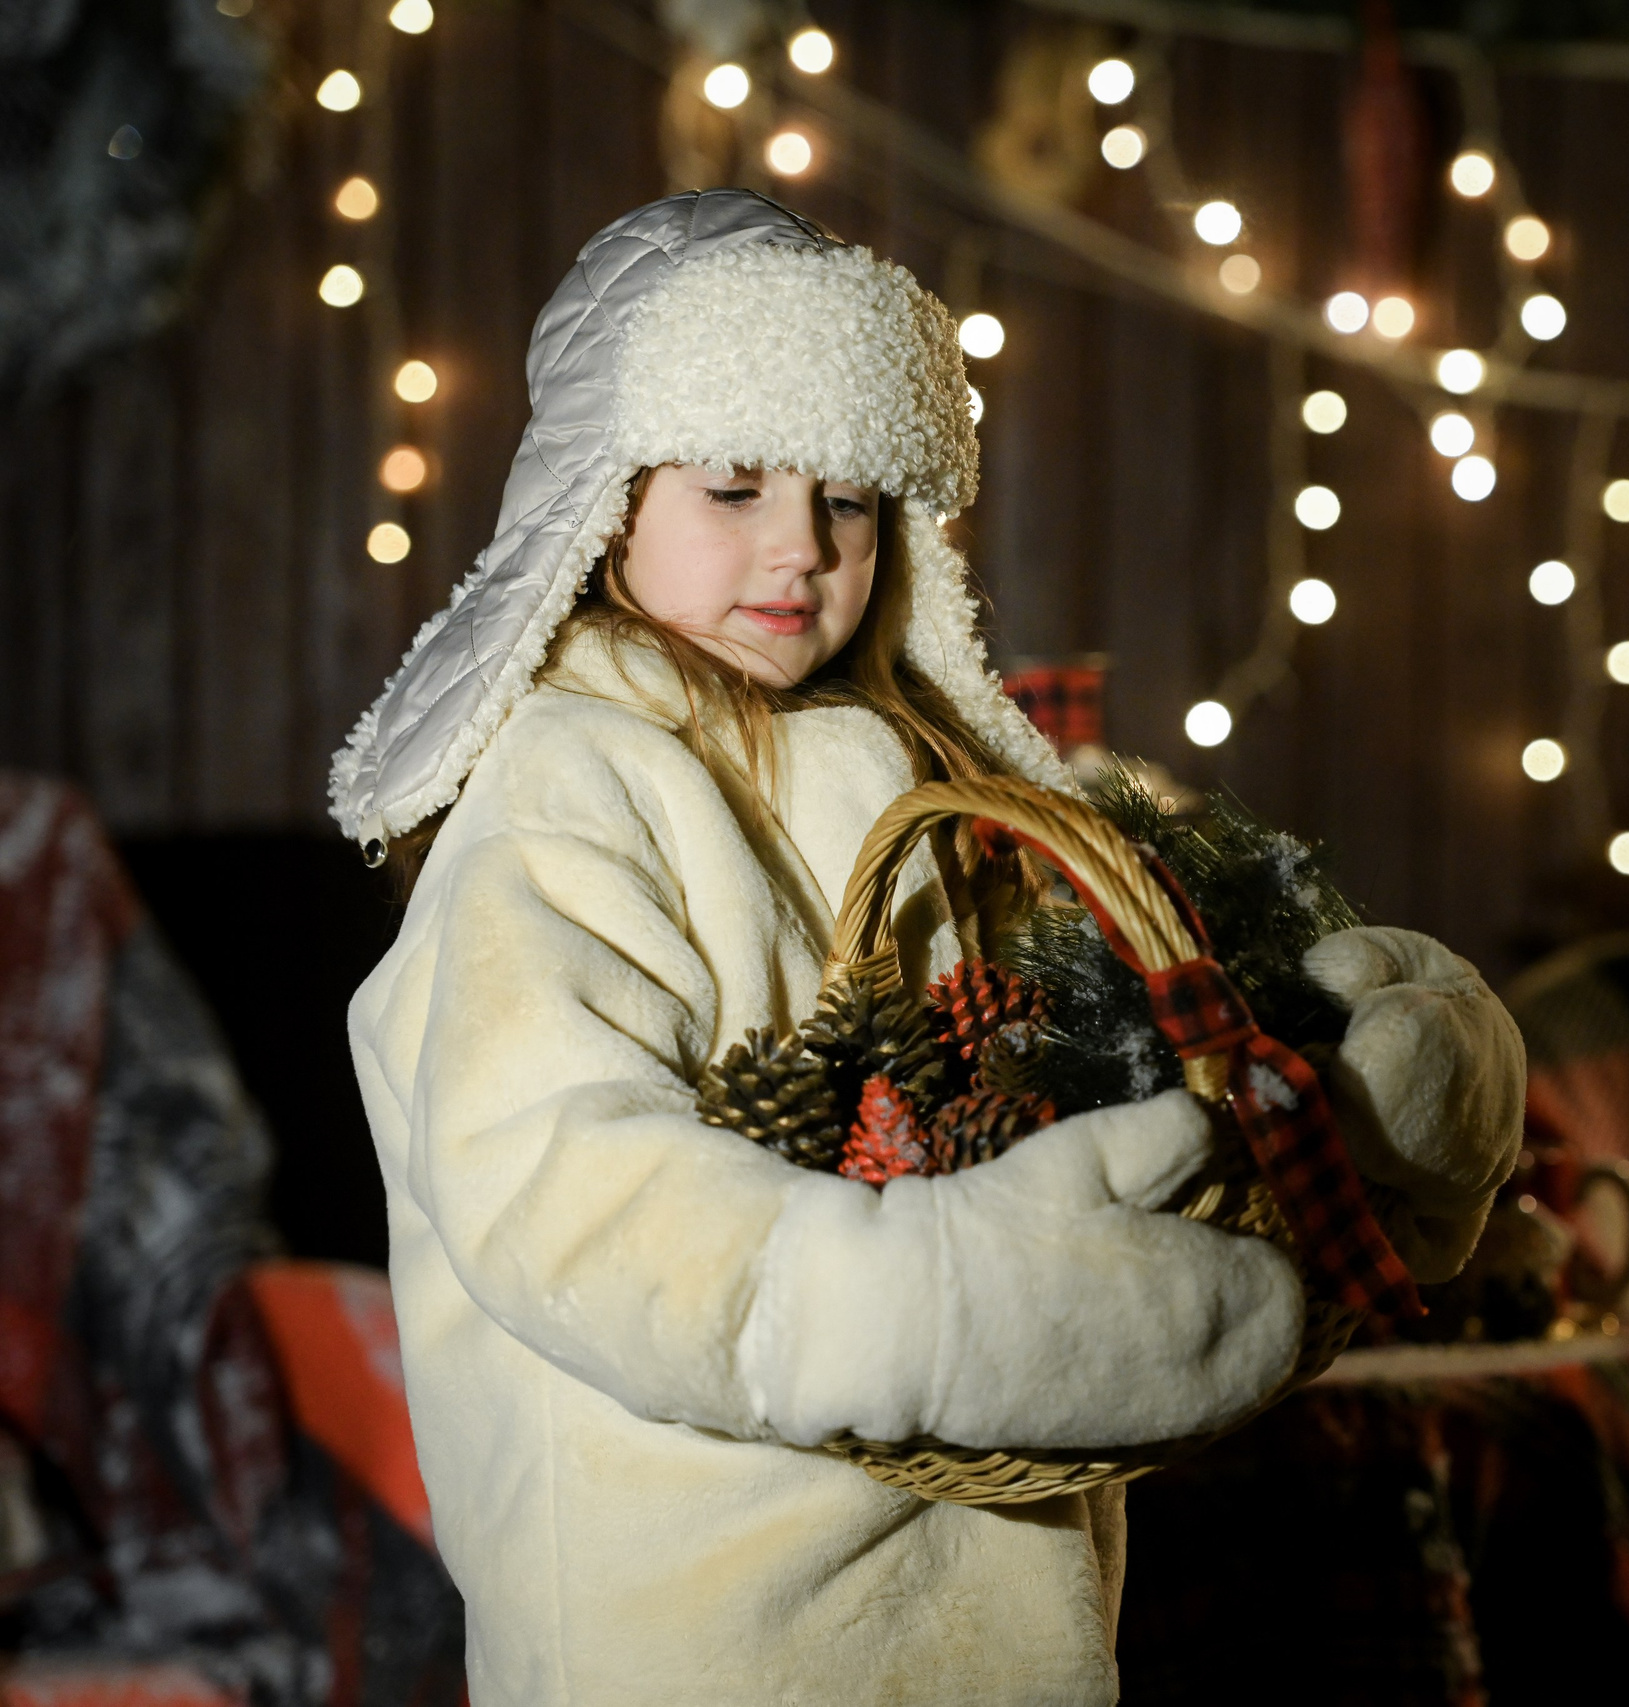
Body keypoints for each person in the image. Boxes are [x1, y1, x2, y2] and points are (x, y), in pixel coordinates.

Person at [334, 190, 1525, 1706]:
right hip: (700, 1629)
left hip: (985, 1616)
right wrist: (924, 1307)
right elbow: (562, 1179)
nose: (799, 547)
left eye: (848, 498)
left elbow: (1080, 1046)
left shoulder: (924, 780)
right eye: (732, 486)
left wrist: (1319, 1078)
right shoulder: (564, 787)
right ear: (605, 499)